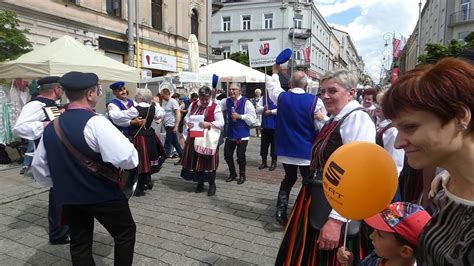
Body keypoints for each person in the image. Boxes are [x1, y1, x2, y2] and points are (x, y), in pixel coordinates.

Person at [31, 71, 139, 265]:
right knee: (125, 233)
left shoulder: (50, 126)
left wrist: (63, 184)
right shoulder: (96, 122)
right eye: (97, 91)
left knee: (79, 242)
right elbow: (128, 159)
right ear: (90, 94)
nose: (98, 95)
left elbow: (39, 168)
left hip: (70, 196)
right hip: (103, 194)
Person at [275, 69, 376, 265]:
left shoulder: (357, 119)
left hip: (334, 204)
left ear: (351, 92)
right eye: (322, 91)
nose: (325, 96)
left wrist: (336, 220)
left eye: (332, 91)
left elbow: (359, 173)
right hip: (319, 196)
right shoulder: (336, 118)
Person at [381, 57, 474, 265]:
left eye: (410, 127)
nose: (398, 143)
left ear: (460, 116)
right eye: (397, 129)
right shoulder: (443, 184)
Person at [266, 64, 328, 226]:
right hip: (306, 151)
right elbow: (321, 128)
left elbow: (273, 87)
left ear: (290, 84)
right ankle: (305, 212)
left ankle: (281, 211)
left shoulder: (282, 97)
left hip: (286, 150)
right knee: (308, 181)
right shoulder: (315, 101)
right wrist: (323, 119)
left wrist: (274, 73)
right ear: (306, 85)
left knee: (289, 178)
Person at [13, 76, 70, 245]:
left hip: (61, 153)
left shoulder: (53, 105)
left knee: (64, 192)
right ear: (57, 89)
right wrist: (47, 125)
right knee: (59, 193)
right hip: (50, 154)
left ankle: (64, 228)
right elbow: (19, 128)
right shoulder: (36, 105)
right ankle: (58, 234)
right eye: (62, 89)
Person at [337, 202, 431, 266]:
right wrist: (350, 262)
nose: (371, 236)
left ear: (405, 251)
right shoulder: (378, 257)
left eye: (380, 235)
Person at [181, 86, 224, 196]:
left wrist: (209, 124)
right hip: (194, 136)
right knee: (196, 160)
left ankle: (212, 184)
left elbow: (221, 122)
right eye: (203, 99)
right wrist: (188, 123)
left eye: (207, 99)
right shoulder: (193, 104)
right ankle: (199, 182)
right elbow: (187, 117)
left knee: (209, 161)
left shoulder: (215, 107)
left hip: (208, 138)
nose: (205, 101)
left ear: (210, 97)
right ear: (199, 97)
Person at [128, 88, 166, 196]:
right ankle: (146, 180)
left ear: (140, 97)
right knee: (147, 158)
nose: (135, 97)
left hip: (138, 137)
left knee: (139, 159)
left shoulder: (134, 109)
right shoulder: (154, 108)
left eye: (136, 96)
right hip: (149, 136)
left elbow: (119, 117)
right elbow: (161, 114)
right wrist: (156, 103)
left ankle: (140, 184)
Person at [220, 83, 257, 185]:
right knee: (227, 155)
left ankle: (242, 175)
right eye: (230, 89)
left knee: (240, 156)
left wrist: (240, 116)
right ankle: (232, 173)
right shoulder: (226, 101)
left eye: (234, 89)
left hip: (242, 134)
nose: (231, 91)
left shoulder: (246, 102)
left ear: (239, 91)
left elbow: (252, 117)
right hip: (231, 133)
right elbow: (216, 106)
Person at [161, 88, 183, 165]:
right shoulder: (165, 102)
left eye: (163, 95)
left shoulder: (173, 101)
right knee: (175, 143)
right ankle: (183, 157)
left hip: (171, 125)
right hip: (167, 125)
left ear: (167, 94)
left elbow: (178, 113)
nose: (162, 97)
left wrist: (176, 125)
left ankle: (162, 159)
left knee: (167, 143)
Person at [256, 93, 277, 171]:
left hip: (275, 127)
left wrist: (271, 111)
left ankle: (273, 162)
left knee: (274, 146)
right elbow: (257, 109)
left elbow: (283, 109)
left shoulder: (278, 97)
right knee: (264, 145)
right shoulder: (264, 98)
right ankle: (264, 162)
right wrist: (263, 108)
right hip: (265, 126)